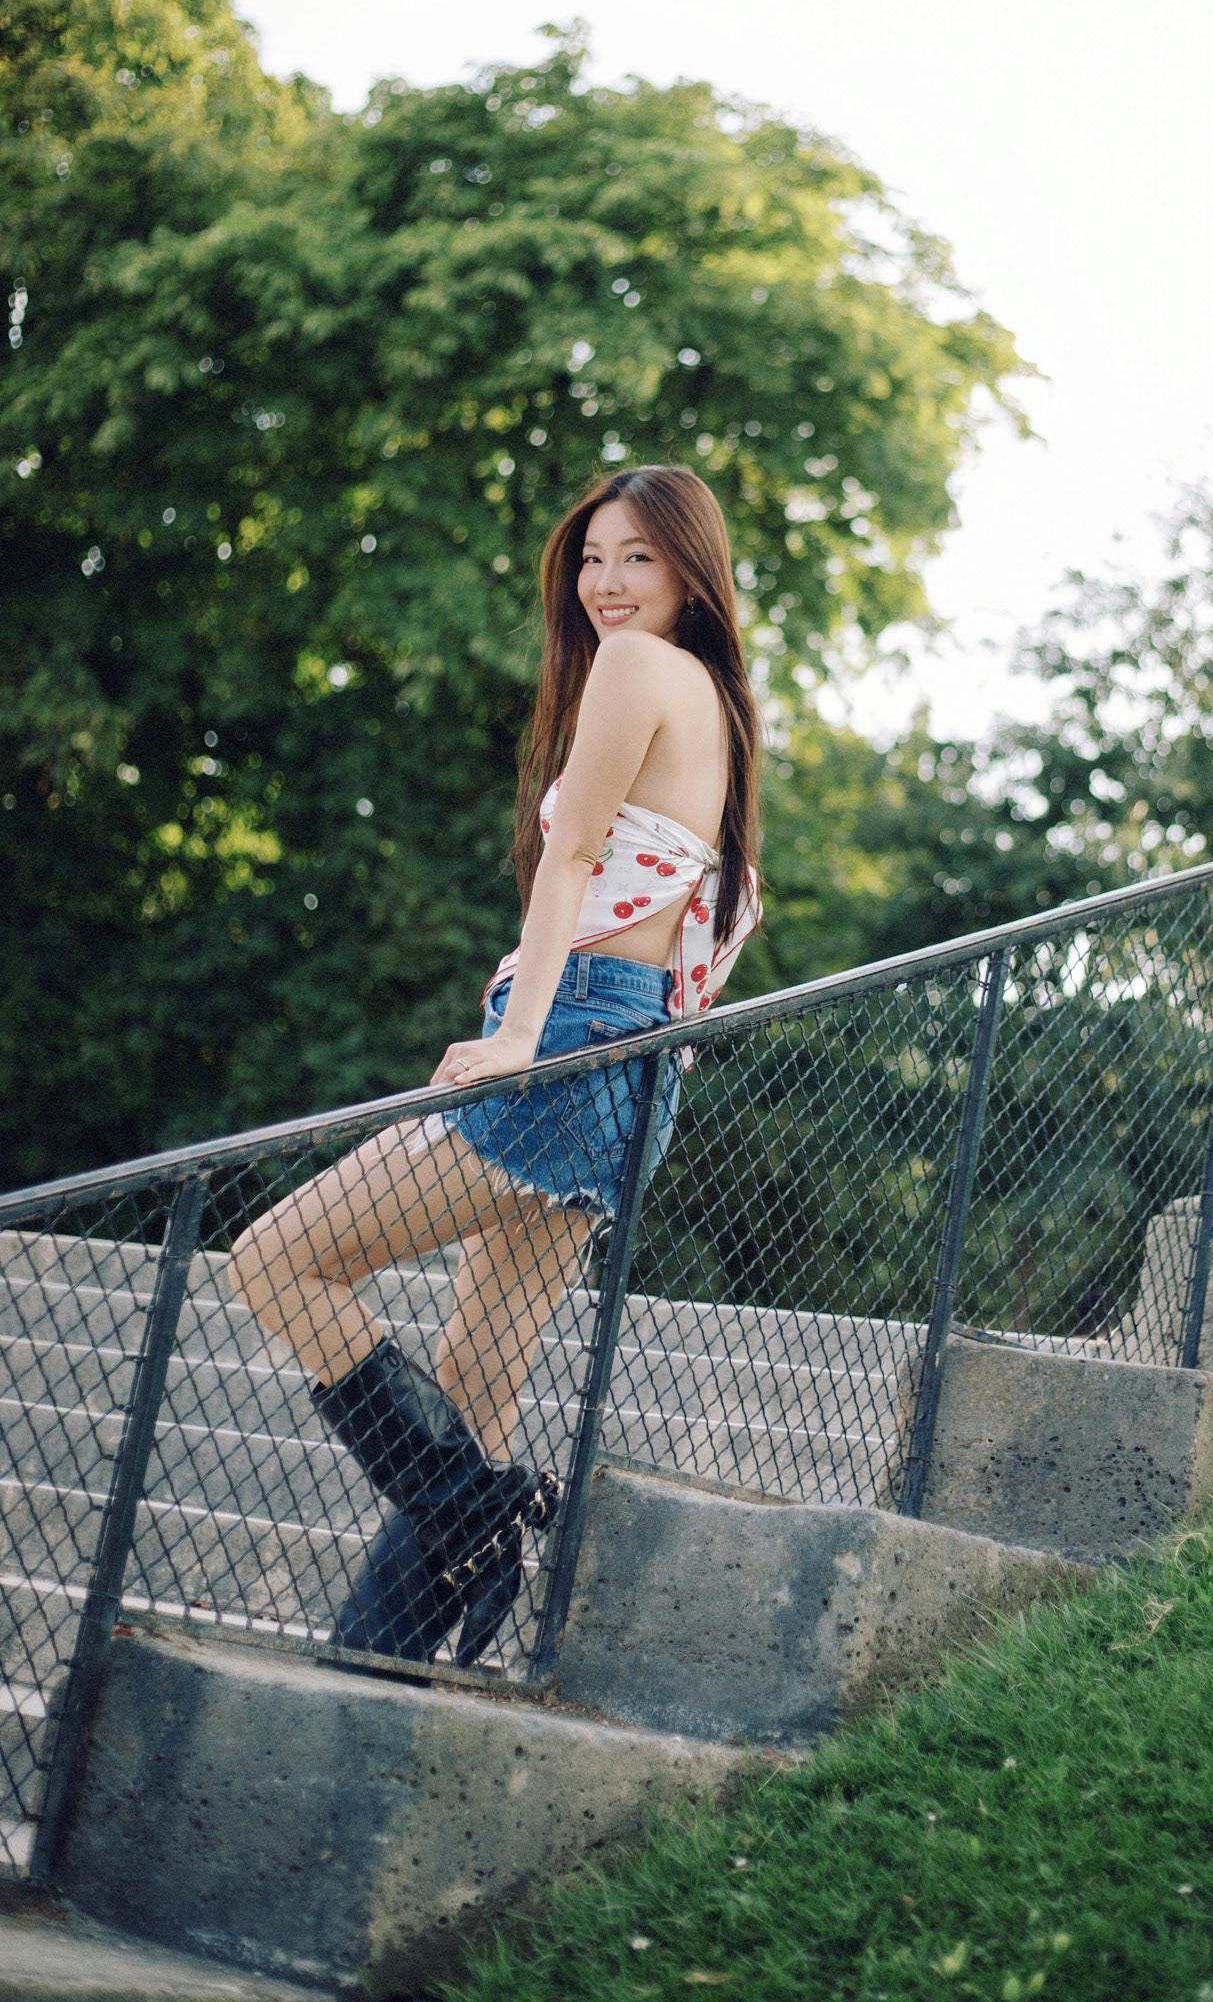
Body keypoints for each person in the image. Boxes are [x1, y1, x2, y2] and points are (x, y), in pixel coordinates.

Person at [229, 465, 763, 1670]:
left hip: (573, 1034)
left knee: (275, 1258)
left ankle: (471, 1512)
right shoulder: (719, 704)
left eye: (637, 557)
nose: (606, 583)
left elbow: (572, 857)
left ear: (692, 571)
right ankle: (384, 1659)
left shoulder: (636, 667)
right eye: (591, 558)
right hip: (632, 1063)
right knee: (475, 1383)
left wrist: (520, 1034)